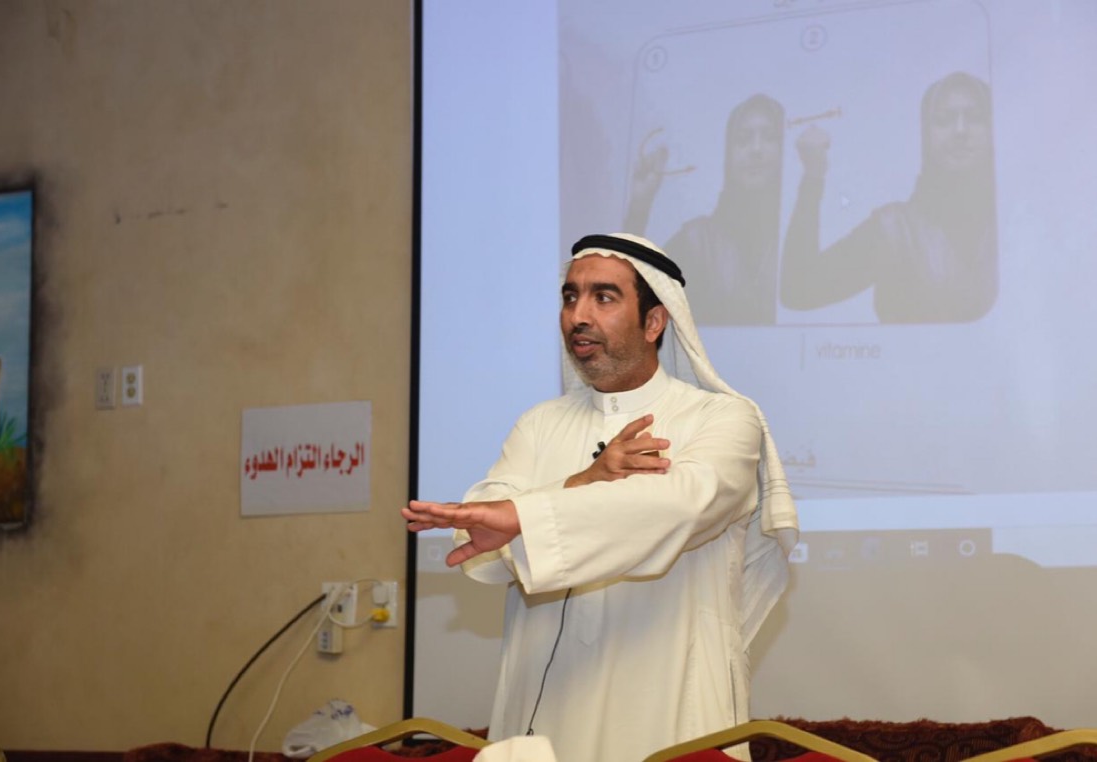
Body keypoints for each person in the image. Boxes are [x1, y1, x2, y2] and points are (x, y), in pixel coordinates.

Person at [402, 233, 798, 762]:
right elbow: (479, 550)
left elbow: (682, 506)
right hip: (548, 706)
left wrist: (524, 515)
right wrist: (581, 482)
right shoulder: (539, 424)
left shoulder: (723, 418)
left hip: (670, 699)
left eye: (603, 298)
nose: (578, 316)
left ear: (654, 322)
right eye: (570, 297)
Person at [780, 71, 997, 323]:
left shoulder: (1013, 221)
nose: (960, 130)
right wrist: (812, 177)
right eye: (943, 120)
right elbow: (798, 289)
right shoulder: (894, 229)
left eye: (975, 118)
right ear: (925, 134)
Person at [624, 95, 786, 325]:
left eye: (769, 137)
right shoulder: (697, 242)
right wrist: (639, 207)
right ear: (729, 155)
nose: (756, 149)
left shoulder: (799, 237)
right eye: (743, 139)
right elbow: (632, 302)